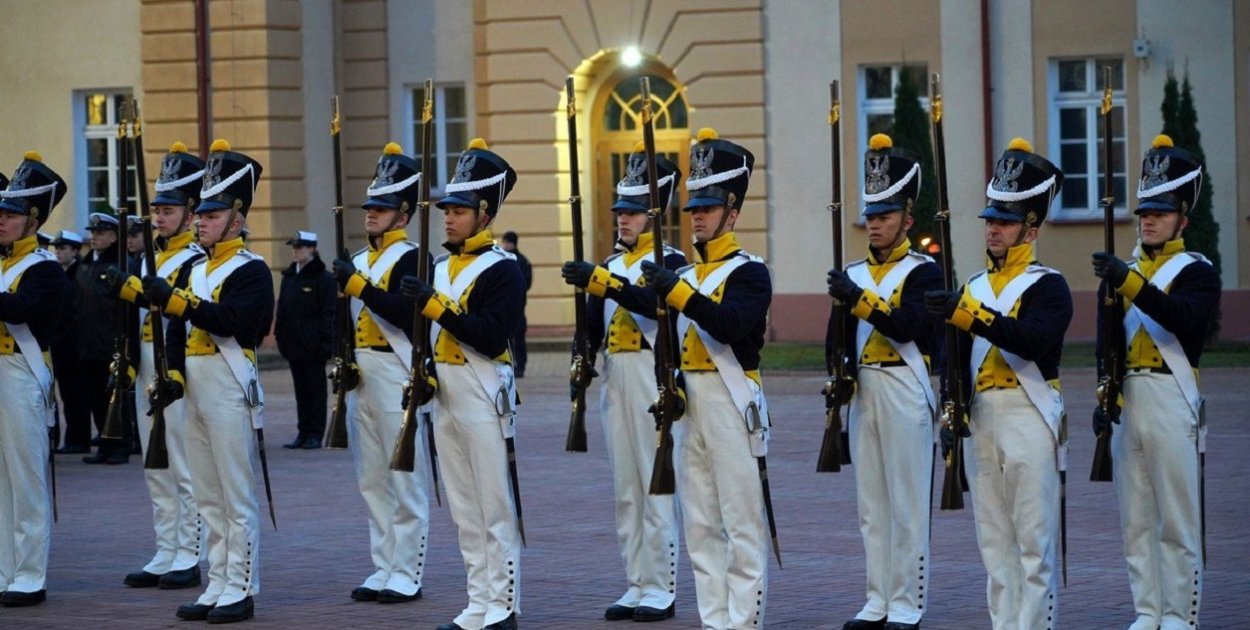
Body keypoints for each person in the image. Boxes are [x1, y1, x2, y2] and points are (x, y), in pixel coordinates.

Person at [924, 138, 1072, 630]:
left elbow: (1032, 341)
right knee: (994, 541)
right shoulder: (972, 285)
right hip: (982, 416)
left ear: (1030, 229)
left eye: (1004, 222)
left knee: (1032, 540)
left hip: (1028, 414)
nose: (992, 228)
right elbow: (954, 361)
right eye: (990, 219)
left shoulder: (1048, 285)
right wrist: (951, 411)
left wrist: (971, 315)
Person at [639, 128, 773, 630]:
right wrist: (669, 385)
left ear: (732, 214)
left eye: (709, 208)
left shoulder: (749, 272)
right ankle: (714, 620)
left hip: (731, 401)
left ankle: (744, 622)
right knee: (699, 523)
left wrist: (678, 294)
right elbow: (668, 345)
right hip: (691, 402)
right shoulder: (686, 277)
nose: (697, 216)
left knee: (740, 520)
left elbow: (729, 325)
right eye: (694, 207)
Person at [1090, 135, 1220, 630]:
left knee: (1177, 519)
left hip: (1171, 393)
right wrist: (1105, 392)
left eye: (1161, 212)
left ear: (1182, 219)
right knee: (1137, 518)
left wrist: (1127, 281)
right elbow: (1107, 343)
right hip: (1130, 398)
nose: (1148, 219)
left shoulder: (1196, 271)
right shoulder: (1123, 272)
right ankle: (1147, 611)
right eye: (1144, 211)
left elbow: (1180, 318)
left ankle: (1180, 616)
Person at [143, 139, 273, 624]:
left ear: (236, 221)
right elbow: (177, 332)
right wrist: (174, 375)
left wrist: (177, 302)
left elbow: (233, 322)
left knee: (235, 494)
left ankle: (241, 585)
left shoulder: (251, 270)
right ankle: (217, 581)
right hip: (197, 387)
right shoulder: (196, 268)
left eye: (211, 216)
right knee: (207, 493)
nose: (200, 222)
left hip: (228, 386)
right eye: (199, 214)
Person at [398, 138, 525, 630]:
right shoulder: (438, 266)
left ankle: (504, 604)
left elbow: (490, 335)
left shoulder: (503, 269)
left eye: (459, 211)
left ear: (484, 215)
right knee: (464, 508)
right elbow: (430, 339)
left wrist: (435, 306)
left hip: (483, 389)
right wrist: (425, 375)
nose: (448, 219)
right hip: (448, 393)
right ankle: (478, 601)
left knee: (494, 504)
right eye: (447, 211)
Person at [560, 143, 686, 623]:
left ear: (654, 215)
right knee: (626, 490)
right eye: (620, 212)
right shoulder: (610, 265)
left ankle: (661, 588)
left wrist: (602, 282)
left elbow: (654, 305)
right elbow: (592, 326)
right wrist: (581, 359)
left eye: (632, 212)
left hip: (651, 377)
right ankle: (636, 582)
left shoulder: (671, 261)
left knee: (656, 485)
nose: (622, 219)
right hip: (616, 377)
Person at [826, 134, 942, 630]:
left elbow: (908, 326)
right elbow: (836, 338)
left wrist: (857, 300)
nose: (875, 224)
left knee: (907, 505)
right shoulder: (854, 272)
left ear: (907, 220)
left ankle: (907, 602)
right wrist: (836, 378)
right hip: (866, 392)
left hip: (903, 388)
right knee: (872, 506)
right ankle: (877, 599)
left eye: (886, 215)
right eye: (871, 216)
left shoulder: (924, 272)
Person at [102, 141, 207, 590]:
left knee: (183, 463)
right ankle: (166, 548)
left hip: (177, 366)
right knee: (155, 462)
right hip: (148, 362)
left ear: (190, 212)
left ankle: (190, 552)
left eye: (168, 210)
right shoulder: (150, 257)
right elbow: (133, 319)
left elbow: (178, 308)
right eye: (157, 210)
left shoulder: (195, 258)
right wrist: (127, 363)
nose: (159, 218)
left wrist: (134, 290)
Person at [329, 143, 431, 604]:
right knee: (372, 479)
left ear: (403, 215)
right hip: (363, 373)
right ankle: (383, 565)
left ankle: (407, 571)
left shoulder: (411, 257)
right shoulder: (359, 259)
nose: (371, 213)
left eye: (382, 208)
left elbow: (405, 314)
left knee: (404, 477)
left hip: (395, 369)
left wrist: (358, 287)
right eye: (371, 206)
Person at [0, 154, 69, 606]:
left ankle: (29, 574)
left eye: (10, 215)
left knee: (25, 480)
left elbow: (20, 310)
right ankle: (5, 569)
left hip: (22, 374)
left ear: (33, 220)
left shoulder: (43, 267)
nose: (1, 221)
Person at [79, 211, 129, 465]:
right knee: (97, 399)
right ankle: (104, 445)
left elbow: (124, 309)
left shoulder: (119, 267)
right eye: (93, 232)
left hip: (110, 345)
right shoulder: (87, 266)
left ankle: (121, 446)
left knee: (116, 400)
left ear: (113, 237)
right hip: (88, 345)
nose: (94, 237)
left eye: (100, 233)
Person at [276, 230, 334, 450]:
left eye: (299, 247)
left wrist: (326, 343)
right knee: (301, 391)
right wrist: (280, 337)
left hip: (314, 345)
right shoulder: (289, 277)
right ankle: (303, 432)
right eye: (294, 247)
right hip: (293, 343)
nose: (295, 251)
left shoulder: (323, 279)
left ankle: (315, 434)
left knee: (316, 391)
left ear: (312, 249)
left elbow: (329, 313)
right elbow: (282, 311)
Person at [50, 230, 89, 454]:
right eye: (57, 248)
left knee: (75, 395)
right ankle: (68, 440)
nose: (58, 252)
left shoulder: (80, 273)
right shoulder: (60, 273)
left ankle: (78, 439)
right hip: (59, 343)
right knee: (64, 395)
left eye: (63, 248)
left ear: (75, 251)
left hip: (74, 344)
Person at [498, 231, 530, 377]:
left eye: (507, 242)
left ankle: (520, 365)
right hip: (502, 307)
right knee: (505, 338)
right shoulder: (501, 259)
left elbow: (526, 282)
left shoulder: (521, 261)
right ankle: (508, 364)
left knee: (519, 338)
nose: (504, 245)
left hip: (517, 307)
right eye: (503, 242)